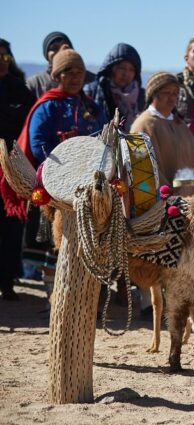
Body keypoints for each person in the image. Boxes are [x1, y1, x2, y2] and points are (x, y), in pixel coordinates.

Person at [16, 47, 107, 298]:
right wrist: (68, 151)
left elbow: (103, 142)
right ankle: (53, 296)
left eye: (79, 71)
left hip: (89, 187)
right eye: (69, 71)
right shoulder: (46, 107)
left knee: (89, 244)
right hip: (54, 186)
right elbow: (38, 146)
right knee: (52, 246)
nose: (75, 76)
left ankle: (85, 297)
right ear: (57, 75)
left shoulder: (93, 108)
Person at [130, 72, 194, 318]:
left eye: (175, 94)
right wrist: (169, 194)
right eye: (166, 93)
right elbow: (143, 168)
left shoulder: (178, 124)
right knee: (154, 256)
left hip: (187, 200)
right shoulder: (144, 124)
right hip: (157, 202)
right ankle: (149, 303)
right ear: (153, 95)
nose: (171, 99)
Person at [0, 38, 35, 300]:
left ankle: (8, 281)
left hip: (11, 166)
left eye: (5, 57)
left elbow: (26, 129)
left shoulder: (20, 91)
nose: (2, 62)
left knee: (12, 225)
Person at [84, 43, 145, 130]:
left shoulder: (142, 97)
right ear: (111, 68)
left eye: (131, 70)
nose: (126, 74)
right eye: (122, 68)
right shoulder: (94, 91)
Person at [26, 31, 95, 99]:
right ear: (46, 54)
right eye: (54, 48)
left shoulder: (92, 80)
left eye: (65, 47)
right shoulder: (35, 83)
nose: (60, 51)